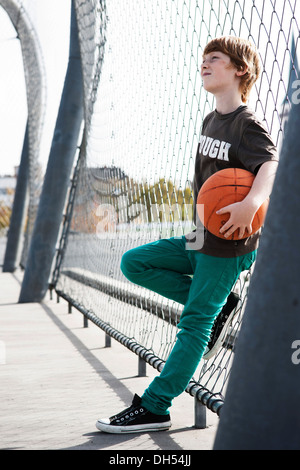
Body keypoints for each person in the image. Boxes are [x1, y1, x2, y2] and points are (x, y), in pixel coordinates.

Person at [96, 36, 278, 434]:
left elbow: (270, 164)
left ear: (239, 69)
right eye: (202, 59)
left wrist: (251, 204)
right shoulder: (210, 121)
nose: (204, 64)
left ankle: (155, 406)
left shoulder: (247, 123)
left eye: (214, 59)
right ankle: (221, 305)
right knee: (135, 262)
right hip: (199, 235)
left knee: (194, 324)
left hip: (229, 243)